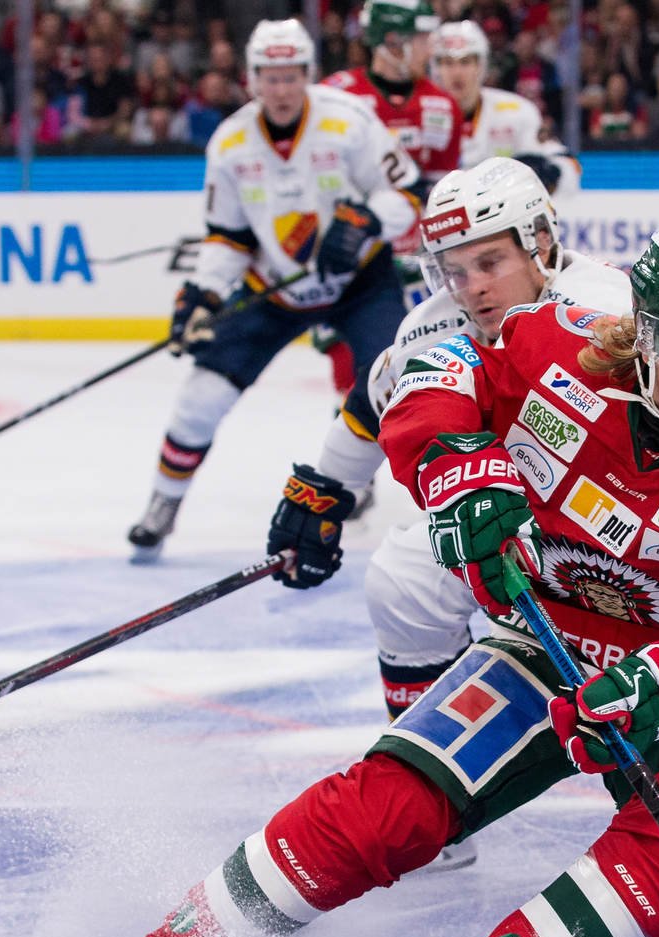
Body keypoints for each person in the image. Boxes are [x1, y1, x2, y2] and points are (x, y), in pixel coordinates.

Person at [78, 217, 659, 937]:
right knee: (390, 805)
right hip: (540, 648)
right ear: (645, 336)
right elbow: (432, 373)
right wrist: (452, 464)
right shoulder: (558, 352)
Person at [270, 157, 631, 719]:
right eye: (454, 271)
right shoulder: (434, 325)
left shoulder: (607, 310)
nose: (473, 289)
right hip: (520, 521)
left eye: (490, 262)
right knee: (404, 578)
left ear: (539, 241)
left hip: (635, 528)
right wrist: (324, 492)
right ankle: (425, 759)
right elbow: (376, 402)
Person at [123, 19, 421, 561]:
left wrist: (366, 222)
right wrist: (203, 292)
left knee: (394, 384)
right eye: (270, 77)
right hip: (276, 290)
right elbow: (230, 237)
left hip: (360, 282)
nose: (281, 89)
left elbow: (408, 192)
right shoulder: (232, 144)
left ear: (307, 75)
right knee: (201, 396)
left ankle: (425, 500)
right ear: (251, 79)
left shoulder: (349, 121)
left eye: (290, 76)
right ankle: (162, 505)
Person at [317, 0, 466, 390]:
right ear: (392, 42)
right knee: (355, 383)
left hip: (418, 269)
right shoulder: (333, 99)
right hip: (355, 265)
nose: (429, 49)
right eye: (420, 39)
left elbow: (442, 196)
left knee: (419, 377)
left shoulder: (443, 106)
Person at [431, 20, 580, 197]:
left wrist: (547, 173)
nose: (456, 72)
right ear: (436, 68)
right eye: (448, 63)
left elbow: (569, 168)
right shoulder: (418, 113)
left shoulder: (517, 111)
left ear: (481, 65)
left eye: (465, 62)